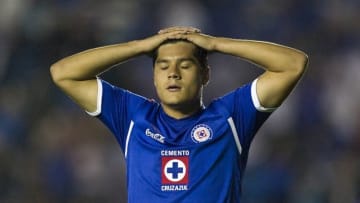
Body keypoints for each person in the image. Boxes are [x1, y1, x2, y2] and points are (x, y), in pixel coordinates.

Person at [50, 26, 308, 202]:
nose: (173, 73)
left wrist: (217, 44)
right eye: (163, 66)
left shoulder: (230, 118)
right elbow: (63, 72)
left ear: (205, 74)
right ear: (154, 76)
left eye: (185, 65)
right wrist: (138, 47)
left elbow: (293, 64)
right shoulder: (133, 117)